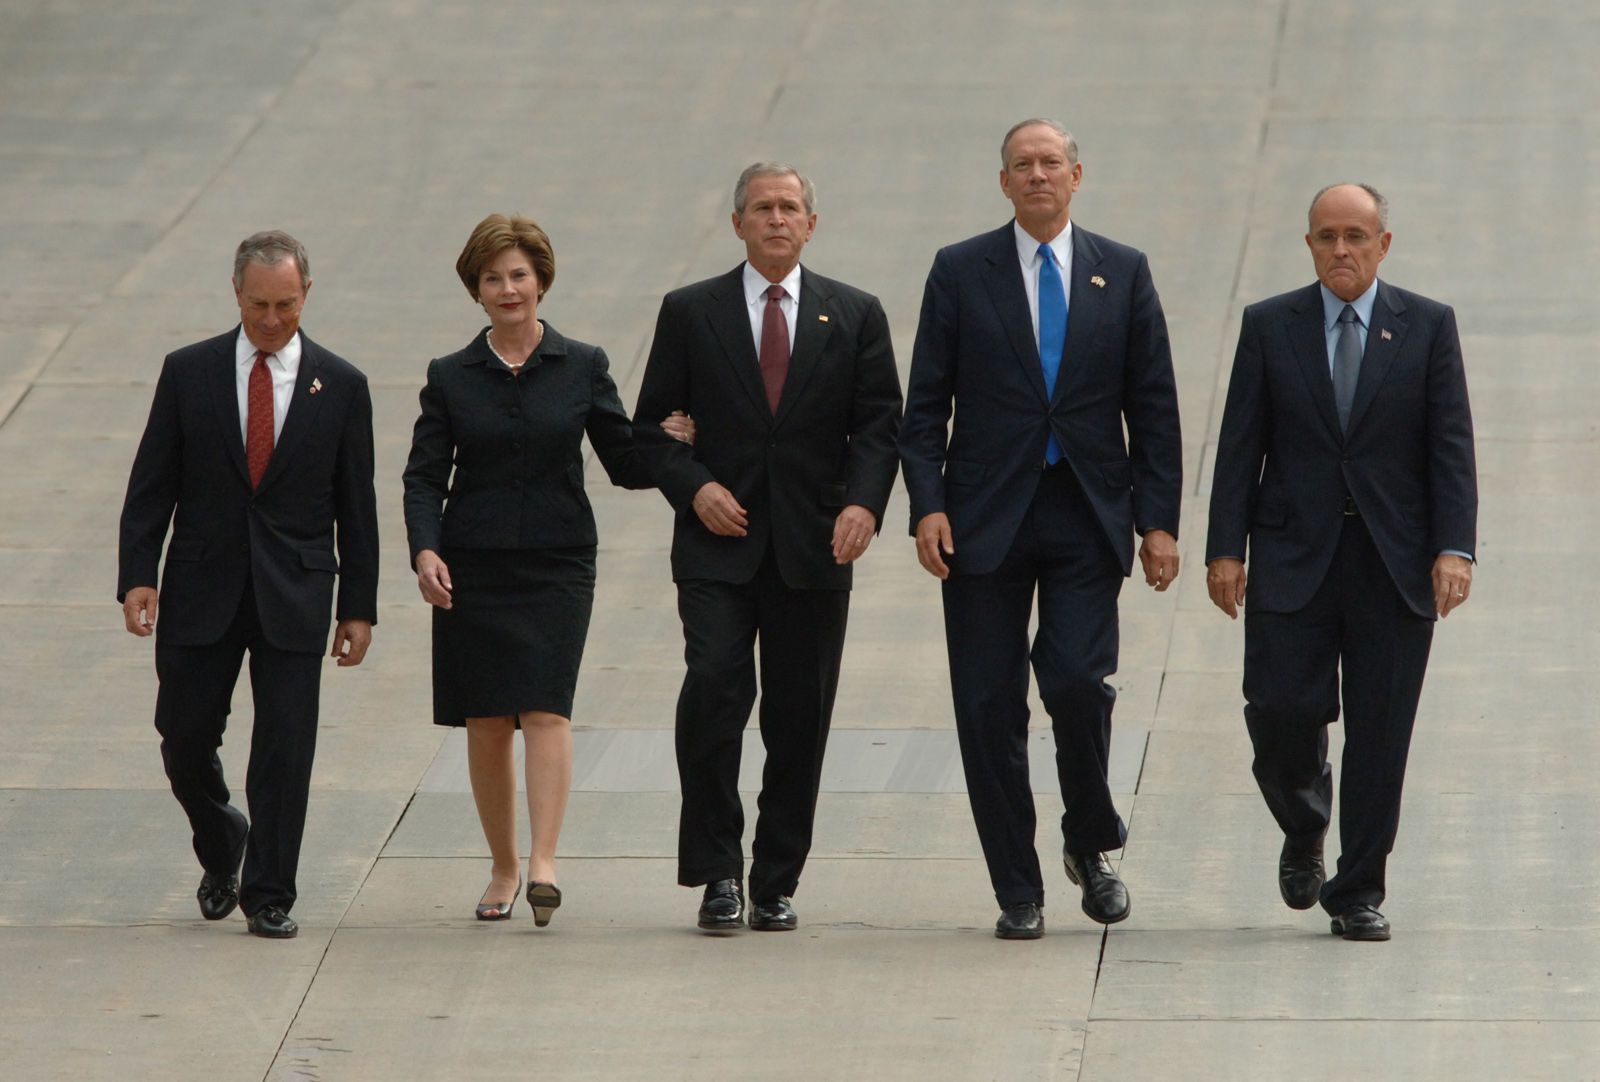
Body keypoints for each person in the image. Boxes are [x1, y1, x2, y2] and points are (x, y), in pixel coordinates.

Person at [899, 119, 1182, 940]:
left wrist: (1158, 522)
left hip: (1086, 512)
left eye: (1050, 163)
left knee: (1074, 685)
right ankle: (1017, 889)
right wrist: (927, 504)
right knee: (989, 705)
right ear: (1003, 182)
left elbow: (1154, 407)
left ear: (1077, 174)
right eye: (1021, 166)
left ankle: (1091, 844)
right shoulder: (961, 271)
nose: (1037, 176)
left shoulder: (1121, 272)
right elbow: (924, 409)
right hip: (983, 518)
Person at [632, 162, 902, 934]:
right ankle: (717, 872)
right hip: (719, 545)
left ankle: (775, 879)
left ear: (811, 225)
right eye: (761, 208)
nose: (776, 219)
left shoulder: (854, 314)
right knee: (714, 690)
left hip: (815, 551)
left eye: (789, 208)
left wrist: (864, 504)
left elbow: (881, 425)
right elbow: (654, 429)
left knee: (799, 717)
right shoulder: (691, 312)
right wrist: (695, 486)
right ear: (738, 223)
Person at [402, 214, 692, 926]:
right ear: (477, 288)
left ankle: (544, 863)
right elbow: (422, 478)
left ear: (542, 281)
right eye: (494, 278)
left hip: (559, 562)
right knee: (487, 720)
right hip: (474, 564)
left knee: (544, 706)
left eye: (520, 275)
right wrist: (425, 549)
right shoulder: (450, 376)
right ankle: (502, 865)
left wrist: (666, 441)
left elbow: (622, 460)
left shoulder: (582, 363)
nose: (509, 289)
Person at [1205, 183, 1476, 942]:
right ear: (1310, 245)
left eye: (1356, 236)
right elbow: (1238, 447)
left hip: (1395, 565)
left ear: (1384, 244)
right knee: (1281, 711)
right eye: (1327, 237)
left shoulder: (1425, 326)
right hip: (1294, 556)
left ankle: (1357, 889)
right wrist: (1225, 549)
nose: (1342, 250)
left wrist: (1455, 547)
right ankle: (1303, 819)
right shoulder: (1270, 326)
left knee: (1382, 731)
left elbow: (1450, 446)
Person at [117, 230, 379, 940]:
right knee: (183, 735)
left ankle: (269, 893)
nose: (271, 319)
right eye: (259, 304)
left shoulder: (342, 386)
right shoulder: (190, 372)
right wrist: (138, 575)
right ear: (237, 294)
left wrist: (358, 607)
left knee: (286, 748)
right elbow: (152, 486)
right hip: (202, 587)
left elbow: (357, 505)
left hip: (295, 591)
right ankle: (221, 836)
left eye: (286, 304)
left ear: (307, 294)